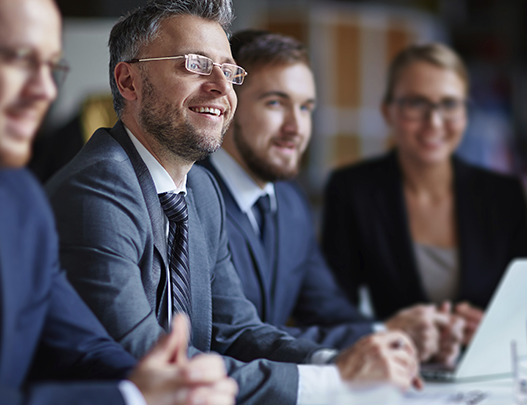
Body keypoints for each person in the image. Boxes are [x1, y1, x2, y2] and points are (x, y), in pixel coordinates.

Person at [46, 0, 421, 405]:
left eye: (228, 71)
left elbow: (238, 331)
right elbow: (151, 362)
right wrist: (336, 384)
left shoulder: (202, 191)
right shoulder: (98, 188)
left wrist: (339, 363)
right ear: (128, 82)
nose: (222, 89)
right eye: (194, 65)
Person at [0, 0, 236, 405]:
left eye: (52, 66)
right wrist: (131, 398)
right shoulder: (92, 184)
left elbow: (81, 344)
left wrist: (168, 385)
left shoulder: (17, 200)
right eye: (17, 59)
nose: (45, 91)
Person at [198, 30, 463, 364]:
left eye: (306, 108)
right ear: (227, 103)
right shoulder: (192, 195)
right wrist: (382, 336)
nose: (296, 127)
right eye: (275, 103)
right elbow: (231, 336)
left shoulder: (291, 203)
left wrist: (399, 336)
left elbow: (329, 311)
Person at [322, 43, 527, 346]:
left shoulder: (504, 195)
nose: (434, 121)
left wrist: (492, 328)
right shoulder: (352, 190)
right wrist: (387, 330)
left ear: (466, 112)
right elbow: (331, 307)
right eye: (416, 104)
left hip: (486, 368)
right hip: (395, 368)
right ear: (388, 112)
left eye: (449, 104)